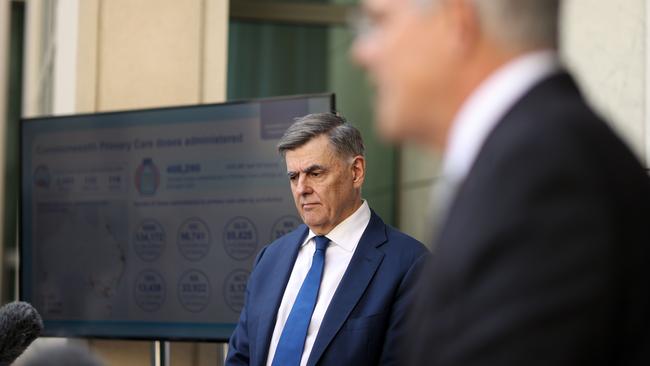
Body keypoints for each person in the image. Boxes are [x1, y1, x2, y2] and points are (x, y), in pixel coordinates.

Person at [352, 0, 650, 364]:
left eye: (379, 22)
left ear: (456, 22)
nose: (361, 52)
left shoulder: (544, 173)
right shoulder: (529, 158)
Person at [226, 113, 428, 366]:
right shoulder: (270, 259)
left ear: (356, 172)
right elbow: (240, 358)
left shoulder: (410, 265)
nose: (301, 188)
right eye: (293, 177)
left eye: (315, 173)